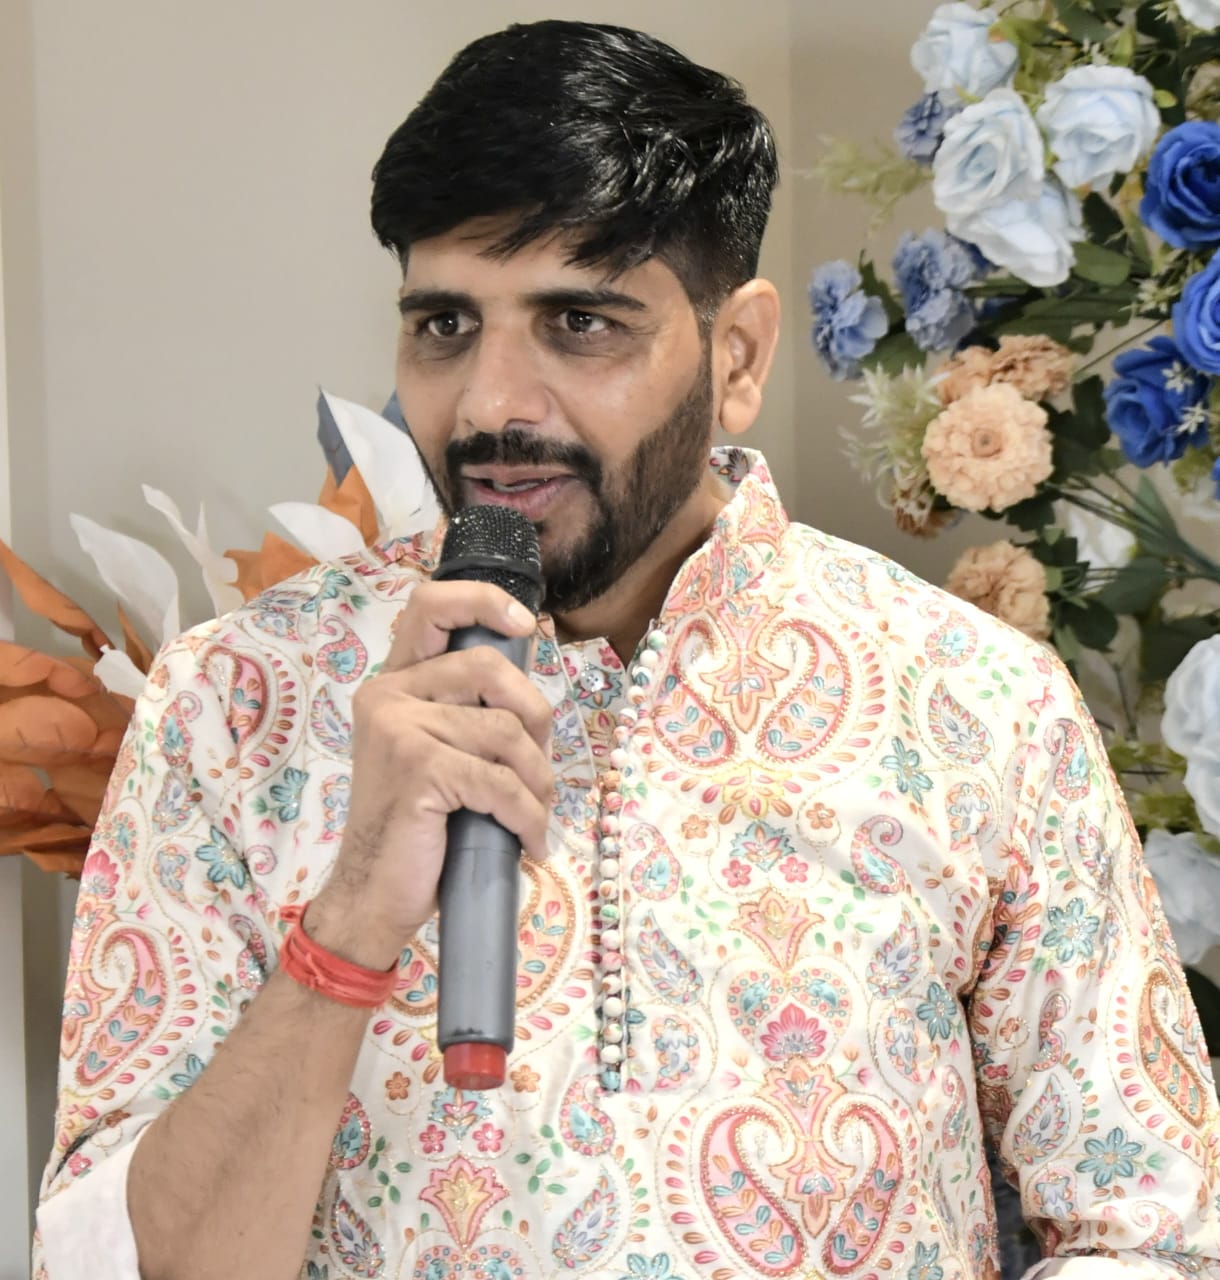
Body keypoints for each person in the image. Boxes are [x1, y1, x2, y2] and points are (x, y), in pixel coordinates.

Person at [33, 19, 1220, 1280]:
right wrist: (353, 911)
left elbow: (1149, 1229)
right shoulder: (231, 703)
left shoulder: (977, 702)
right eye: (443, 323)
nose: (489, 402)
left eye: (579, 321)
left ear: (737, 353)